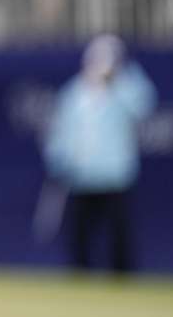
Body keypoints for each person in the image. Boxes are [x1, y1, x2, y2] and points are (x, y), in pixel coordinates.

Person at [45, 34, 157, 275]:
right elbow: (60, 130)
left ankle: (122, 277)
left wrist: (120, 78)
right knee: (80, 234)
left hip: (115, 176)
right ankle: (80, 276)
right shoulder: (74, 93)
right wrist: (58, 159)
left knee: (119, 233)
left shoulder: (124, 89)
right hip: (81, 177)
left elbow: (144, 105)